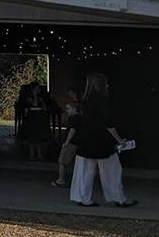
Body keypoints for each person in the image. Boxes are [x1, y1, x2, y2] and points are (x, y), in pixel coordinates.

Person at [70, 73, 137, 207]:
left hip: (86, 140)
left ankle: (84, 198)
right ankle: (119, 198)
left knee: (85, 171)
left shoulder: (85, 101)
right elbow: (108, 123)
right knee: (112, 171)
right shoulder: (103, 100)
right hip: (102, 141)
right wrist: (119, 140)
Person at [52, 100, 80, 188]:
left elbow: (72, 130)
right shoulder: (80, 118)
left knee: (62, 161)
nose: (67, 110)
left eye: (68, 108)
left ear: (74, 109)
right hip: (77, 143)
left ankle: (61, 180)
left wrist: (66, 142)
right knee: (72, 162)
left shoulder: (73, 118)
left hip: (71, 143)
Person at [21, 82, 51, 160]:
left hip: (39, 117)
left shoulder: (42, 96)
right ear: (33, 89)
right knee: (32, 136)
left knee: (39, 136)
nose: (39, 90)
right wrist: (34, 96)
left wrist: (42, 101)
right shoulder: (28, 96)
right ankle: (32, 154)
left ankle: (39, 154)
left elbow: (45, 108)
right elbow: (34, 104)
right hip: (32, 117)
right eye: (37, 88)